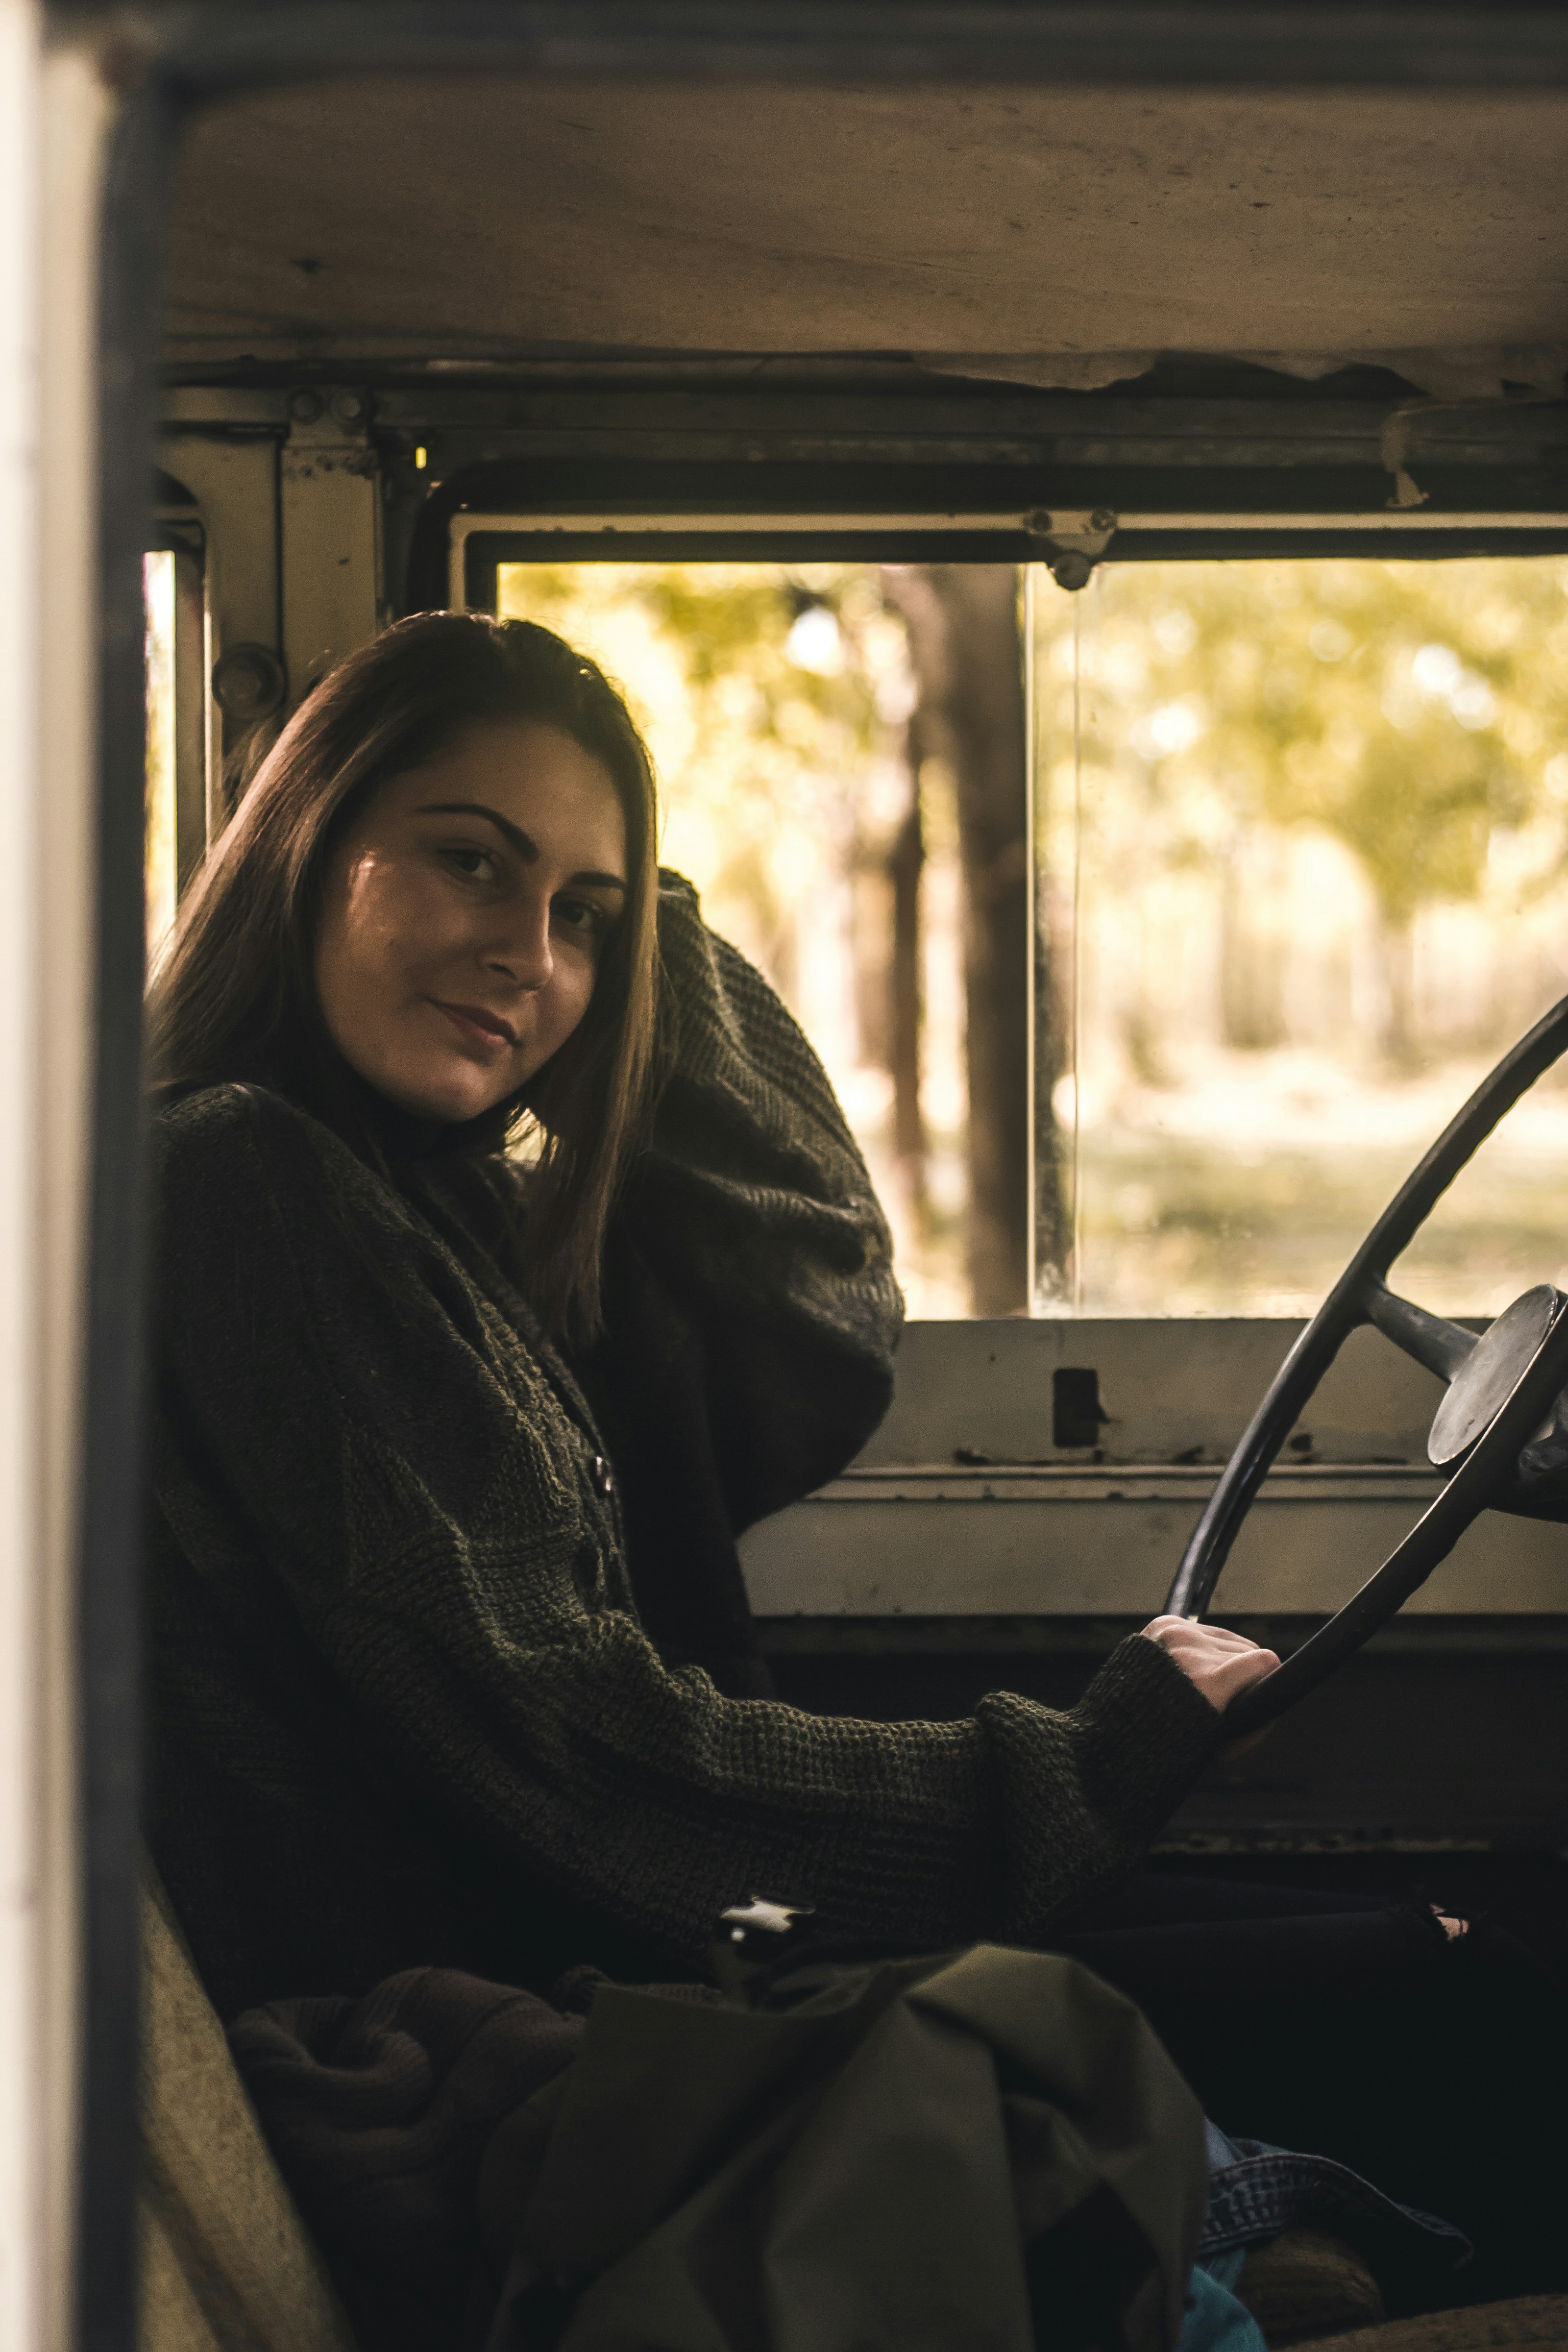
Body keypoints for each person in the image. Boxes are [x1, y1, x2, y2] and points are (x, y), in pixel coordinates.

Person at [146, 612, 1564, 2312]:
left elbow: (816, 1306)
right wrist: (1088, 1766)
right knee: (1478, 2002)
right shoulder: (244, 1188)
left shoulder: (439, 1210)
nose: (530, 955)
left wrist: (644, 920)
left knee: (1469, 1952)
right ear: (306, 841)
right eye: (469, 864)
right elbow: (571, 1753)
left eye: (581, 914)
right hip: (562, 2017)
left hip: (633, 1943)